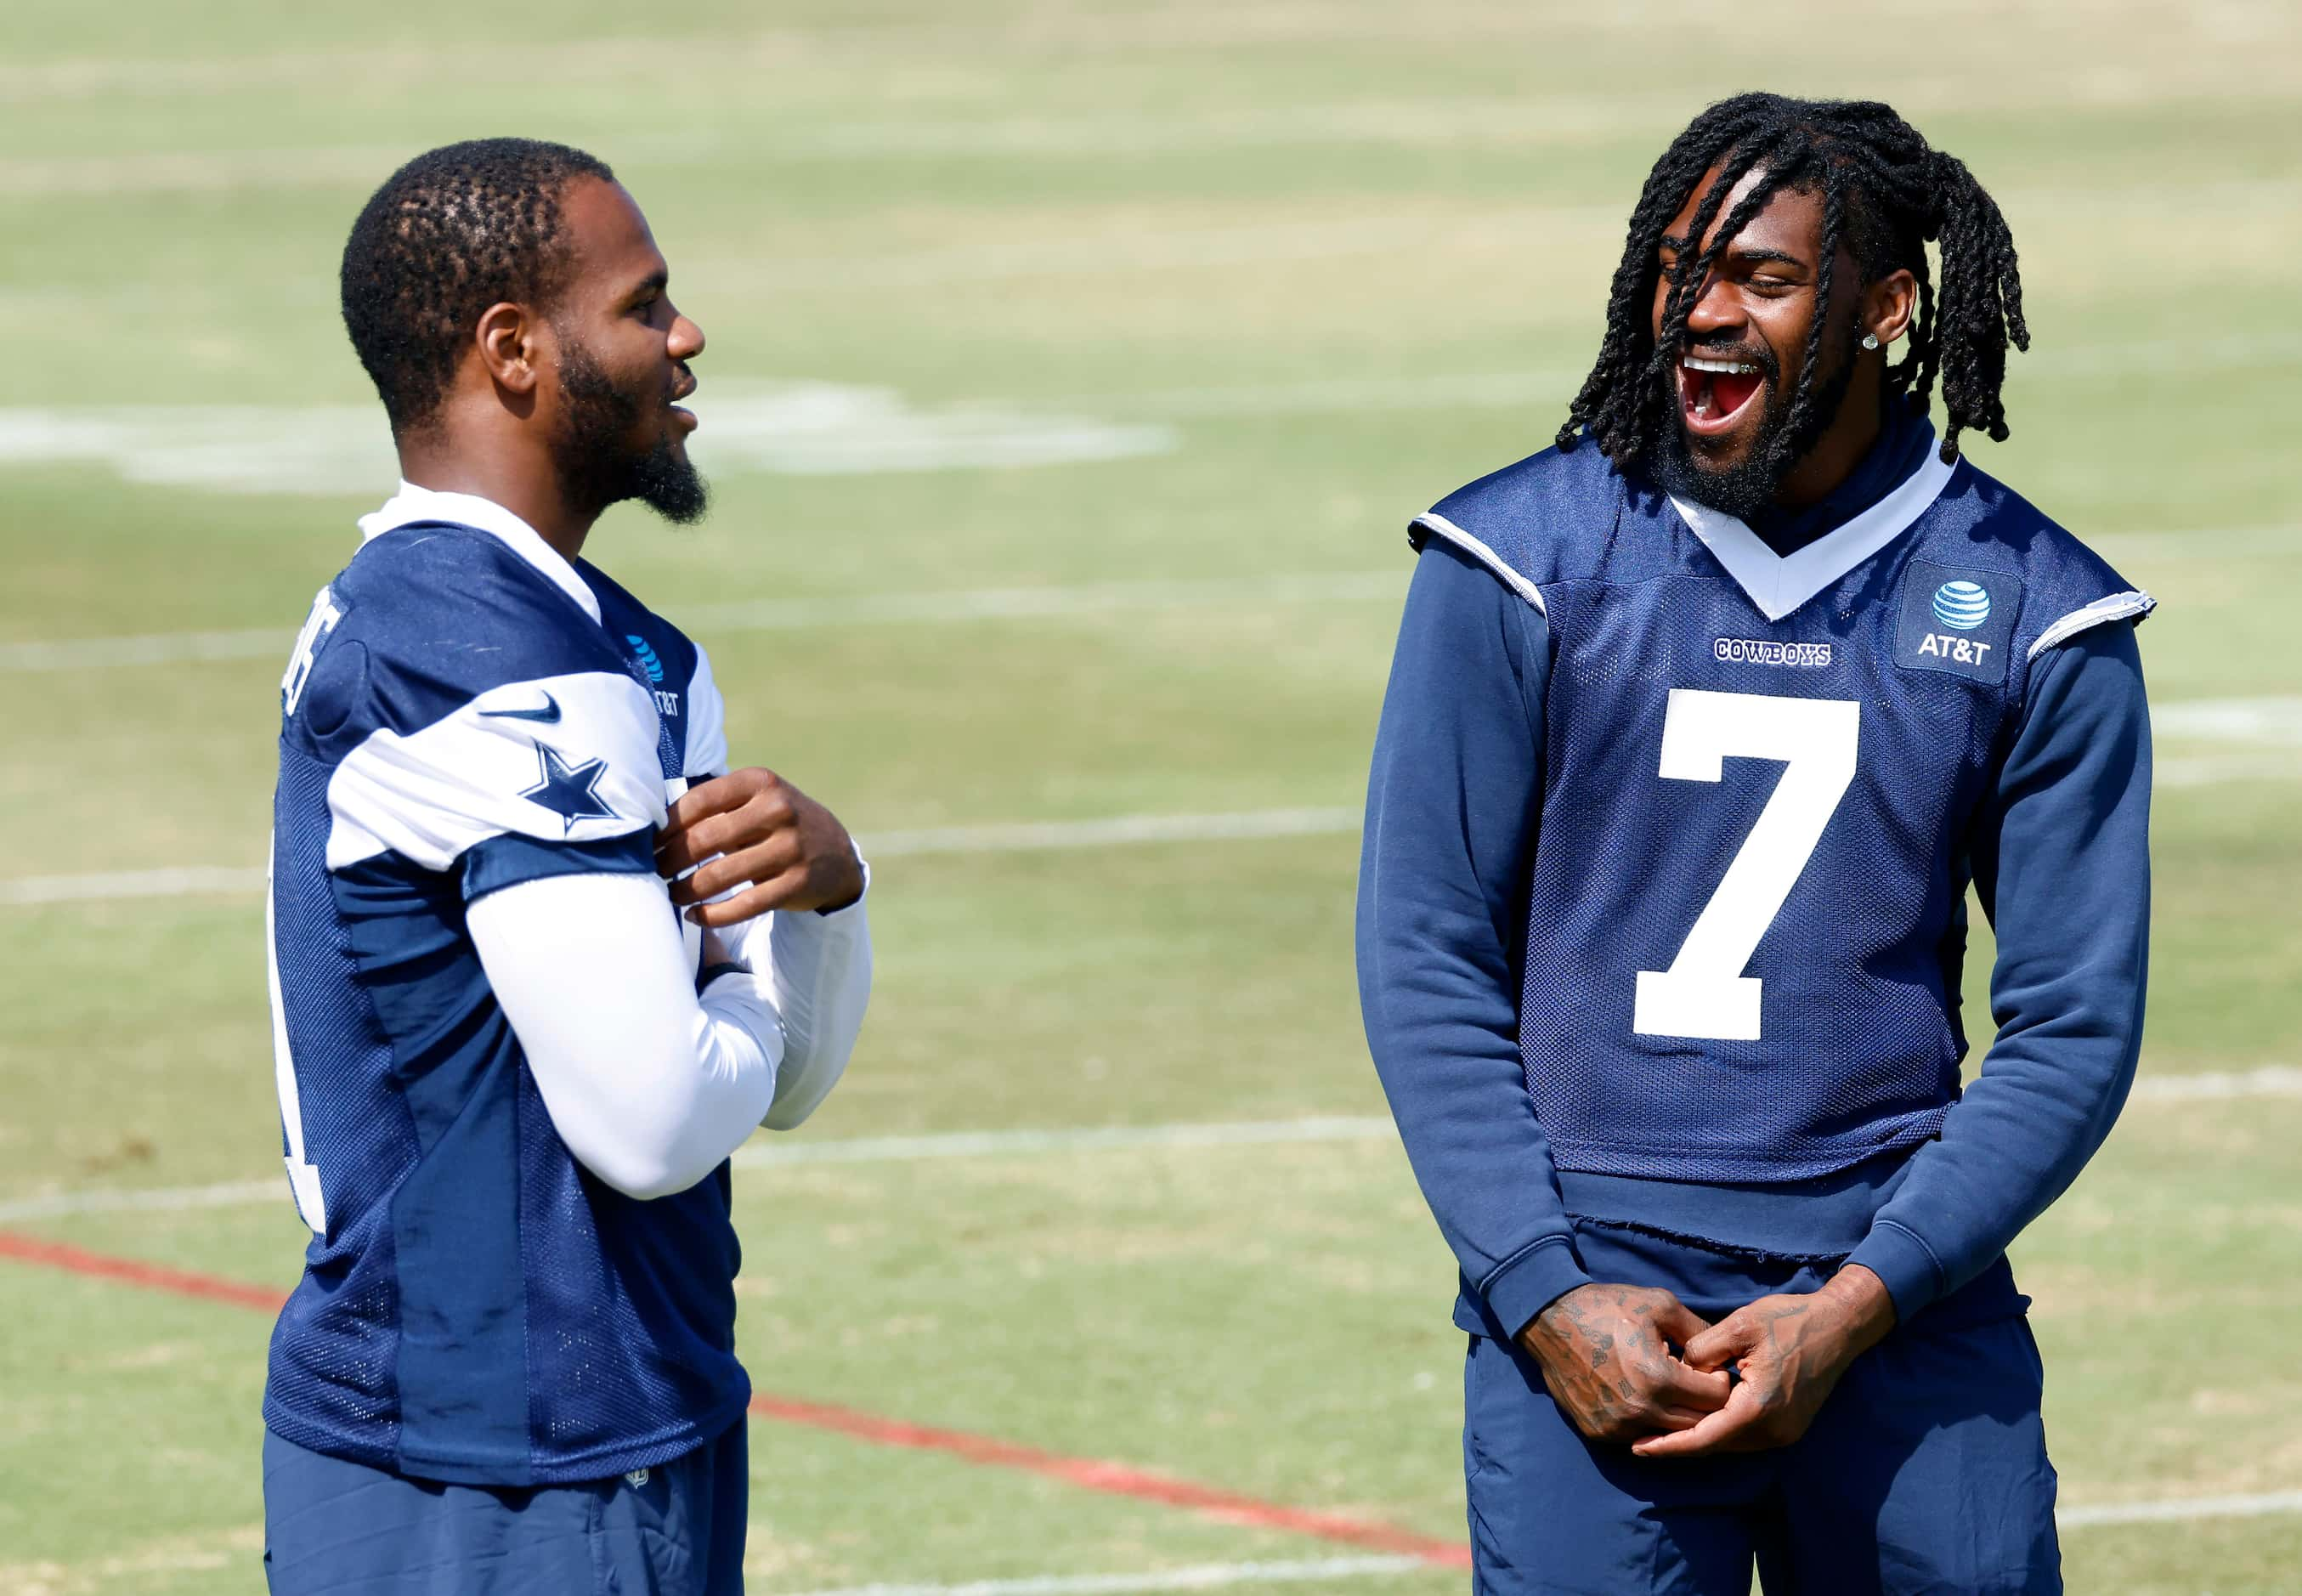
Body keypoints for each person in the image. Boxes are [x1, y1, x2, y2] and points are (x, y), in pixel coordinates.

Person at [1356, 94, 2151, 1593]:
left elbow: (2074, 1028)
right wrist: (1542, 1290)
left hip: (1900, 1304)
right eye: (1676, 267)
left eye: (1764, 279)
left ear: (1885, 307)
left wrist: (1857, 1301)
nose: (1703, 312)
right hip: (1596, 1301)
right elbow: (1425, 956)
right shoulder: (1516, 559)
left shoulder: (2045, 610)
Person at [260, 138, 874, 1593]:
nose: (686, 335)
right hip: (492, 1465)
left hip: (619, 1415)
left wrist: (834, 894)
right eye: (645, 304)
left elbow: (776, 1088)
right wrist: (751, 1005)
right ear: (515, 351)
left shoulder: (630, 649)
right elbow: (660, 1119)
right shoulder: (488, 656)